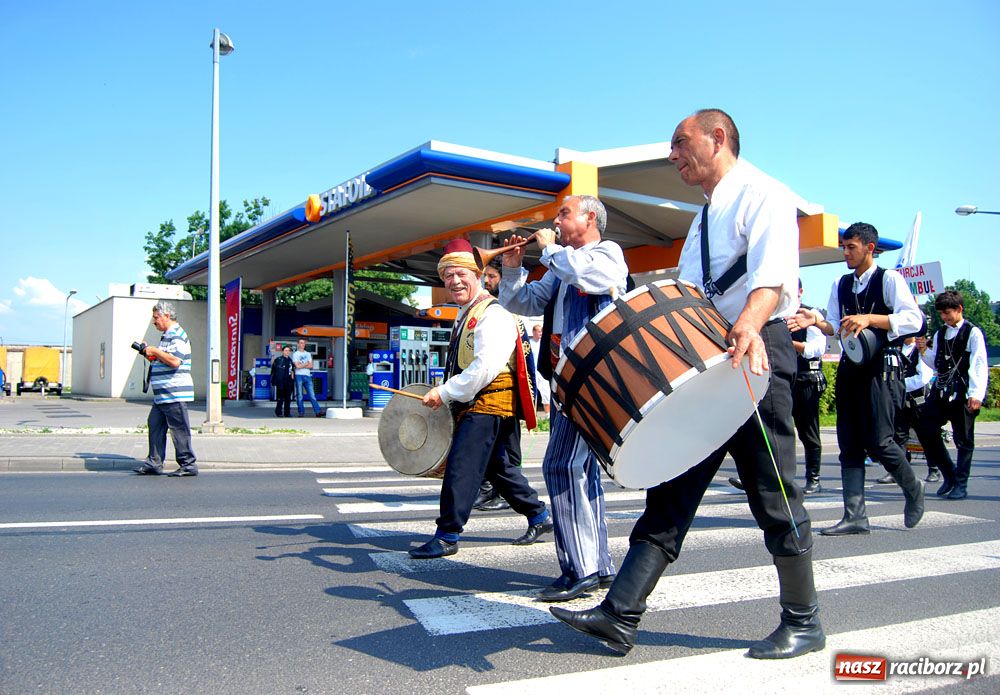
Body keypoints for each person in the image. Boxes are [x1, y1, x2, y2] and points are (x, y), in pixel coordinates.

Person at [550, 109, 823, 659]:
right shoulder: (703, 217)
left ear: (717, 138)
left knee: (773, 491)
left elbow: (772, 278)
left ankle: (804, 621)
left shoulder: (763, 194)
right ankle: (620, 614)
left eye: (680, 143)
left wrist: (748, 324)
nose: (672, 155)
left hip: (755, 351)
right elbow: (693, 295)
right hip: (709, 355)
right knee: (672, 488)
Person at [499, 194, 627, 601]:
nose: (556, 220)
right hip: (564, 380)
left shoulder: (606, 253)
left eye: (564, 213)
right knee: (581, 469)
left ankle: (580, 569)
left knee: (560, 465)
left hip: (591, 379)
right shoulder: (559, 266)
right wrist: (512, 268)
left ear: (590, 218)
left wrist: (549, 250)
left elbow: (588, 276)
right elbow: (522, 302)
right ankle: (598, 565)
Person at [408, 239, 552, 559]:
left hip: (488, 404)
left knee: (461, 467)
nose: (454, 281)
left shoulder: (493, 313)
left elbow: (485, 368)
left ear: (479, 276)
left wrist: (444, 392)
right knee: (499, 469)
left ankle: (447, 535)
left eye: (461, 274)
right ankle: (539, 516)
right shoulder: (467, 313)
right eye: (448, 275)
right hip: (478, 403)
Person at [793, 222, 926, 536]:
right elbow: (834, 325)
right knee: (849, 443)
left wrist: (871, 319)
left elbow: (914, 320)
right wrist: (817, 321)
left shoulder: (889, 279)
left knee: (880, 441)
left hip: (882, 369)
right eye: (843, 247)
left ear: (870, 248)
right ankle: (855, 516)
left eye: (851, 247)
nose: (845, 253)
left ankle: (913, 486)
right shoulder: (841, 283)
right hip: (850, 368)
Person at [916, 290, 988, 500]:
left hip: (963, 392)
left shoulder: (972, 332)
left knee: (963, 439)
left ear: (959, 309)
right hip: (941, 392)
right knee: (925, 427)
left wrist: (976, 394)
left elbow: (979, 363)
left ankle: (961, 484)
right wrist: (923, 351)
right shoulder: (941, 333)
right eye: (941, 314)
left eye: (947, 313)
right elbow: (936, 363)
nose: (944, 317)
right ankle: (949, 473)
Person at [133, 301, 198, 477]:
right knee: (155, 425)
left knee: (179, 430)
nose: (154, 321)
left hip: (174, 393)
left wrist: (154, 350)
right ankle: (154, 463)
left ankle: (188, 465)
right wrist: (148, 353)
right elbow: (165, 360)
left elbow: (175, 361)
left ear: (167, 316)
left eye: (156, 317)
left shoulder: (176, 334)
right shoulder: (167, 335)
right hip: (163, 395)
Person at [472, 256, 514, 512]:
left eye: (492, 277)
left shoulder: (508, 306)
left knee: (507, 445)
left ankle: (509, 495)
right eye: (484, 276)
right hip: (490, 386)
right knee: (495, 444)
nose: (486, 281)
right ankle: (489, 488)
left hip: (509, 386)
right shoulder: (487, 306)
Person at [875, 336, 939, 484]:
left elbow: (923, 378)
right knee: (899, 437)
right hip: (899, 401)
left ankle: (934, 468)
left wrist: (899, 385)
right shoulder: (896, 349)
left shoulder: (920, 350)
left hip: (917, 402)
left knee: (926, 436)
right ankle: (897, 471)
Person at [788, 281, 828, 494]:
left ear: (800, 292)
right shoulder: (777, 315)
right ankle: (767, 479)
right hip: (783, 379)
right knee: (773, 429)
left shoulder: (811, 314)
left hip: (806, 379)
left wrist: (787, 343)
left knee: (808, 432)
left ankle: (814, 478)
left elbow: (817, 348)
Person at [292, 338, 324, 418]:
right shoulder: (295, 354)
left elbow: (311, 365)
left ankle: (318, 412)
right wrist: (306, 364)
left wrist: (302, 365)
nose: (302, 344)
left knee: (312, 395)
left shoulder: (308, 354)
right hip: (298, 375)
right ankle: (301, 412)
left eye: (303, 343)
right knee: (300, 395)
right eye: (301, 343)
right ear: (298, 344)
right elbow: (297, 366)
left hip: (307, 375)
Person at [528, 323, 551, 416]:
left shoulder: (543, 344)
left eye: (541, 331)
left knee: (546, 392)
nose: (540, 333)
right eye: (538, 331)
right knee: (531, 393)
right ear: (533, 332)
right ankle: (531, 414)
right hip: (532, 371)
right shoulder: (529, 343)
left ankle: (547, 413)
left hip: (541, 371)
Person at [270, 346, 295, 417]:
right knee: (280, 398)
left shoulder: (290, 360)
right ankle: (279, 412)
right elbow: (273, 371)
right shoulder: (278, 360)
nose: (287, 352)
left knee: (288, 398)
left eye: (288, 350)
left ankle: (287, 413)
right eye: (286, 350)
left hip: (289, 381)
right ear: (283, 351)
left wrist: (292, 379)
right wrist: (274, 381)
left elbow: (292, 371)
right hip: (281, 381)